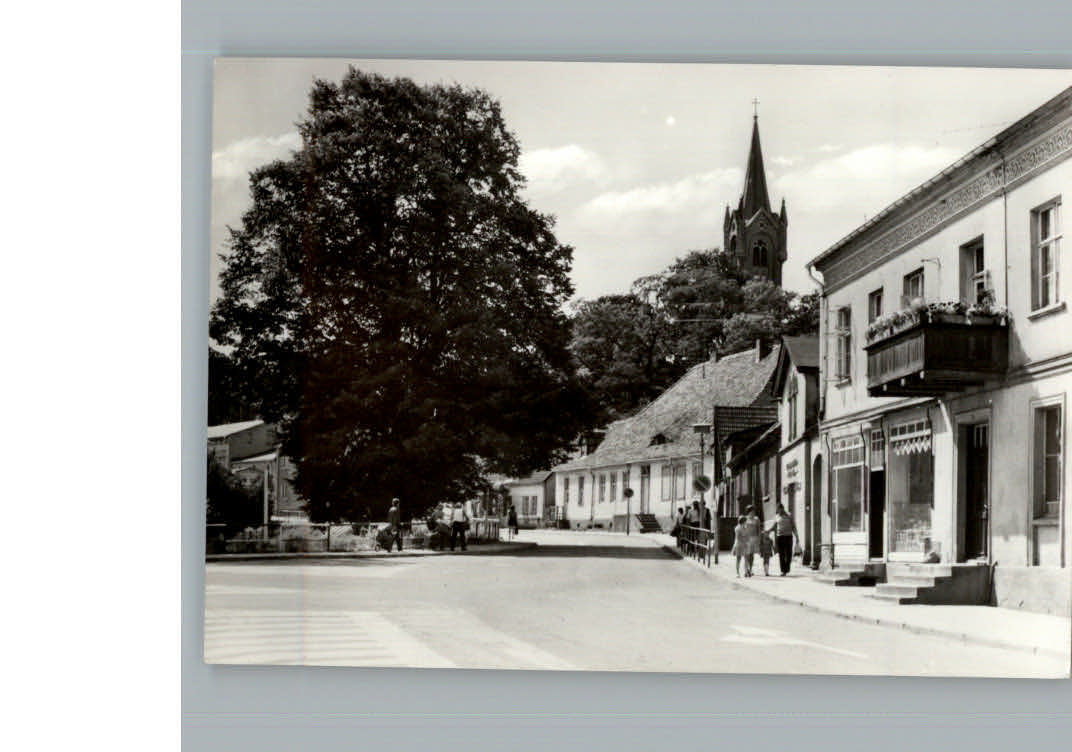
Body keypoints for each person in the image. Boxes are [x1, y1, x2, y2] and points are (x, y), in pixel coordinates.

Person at [770, 503, 799, 576]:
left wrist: (797, 536)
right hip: (780, 537)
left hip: (788, 536)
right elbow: (774, 527)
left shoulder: (789, 515)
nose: (779, 510)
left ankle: (787, 568)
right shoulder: (776, 517)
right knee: (781, 554)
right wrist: (768, 531)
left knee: (789, 553)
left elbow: (793, 526)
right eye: (778, 509)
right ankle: (783, 570)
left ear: (782, 508)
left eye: (780, 509)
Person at [742, 506, 761, 577]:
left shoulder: (757, 519)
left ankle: (750, 569)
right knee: (746, 555)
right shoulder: (745, 519)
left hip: (754, 538)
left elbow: (759, 530)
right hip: (746, 539)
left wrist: (759, 538)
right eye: (751, 511)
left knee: (751, 555)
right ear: (748, 512)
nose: (753, 512)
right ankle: (746, 570)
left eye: (754, 511)